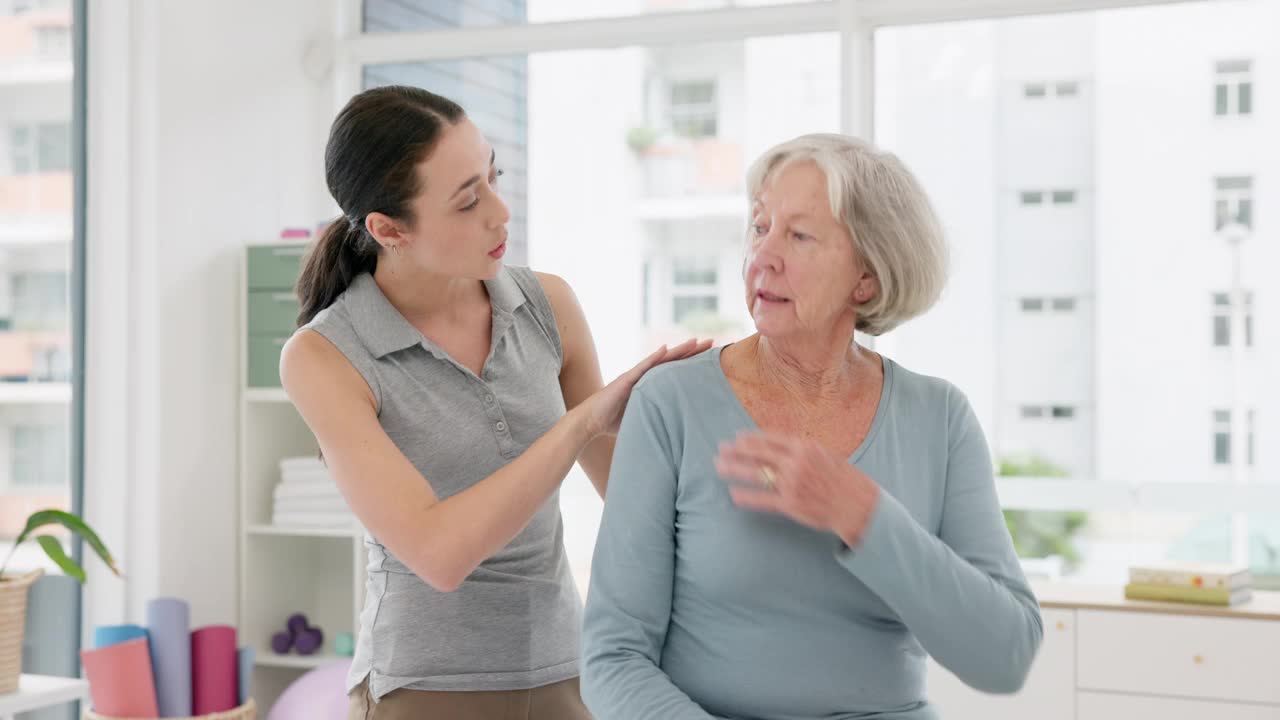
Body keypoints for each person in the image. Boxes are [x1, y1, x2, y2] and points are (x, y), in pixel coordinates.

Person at [279, 85, 709, 720]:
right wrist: (581, 423)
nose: (501, 213)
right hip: (424, 689)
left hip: (567, 672)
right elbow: (439, 554)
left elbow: (632, 496)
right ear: (389, 229)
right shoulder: (325, 356)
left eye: (493, 177)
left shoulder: (547, 305)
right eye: (467, 200)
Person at [581, 133, 1043, 720]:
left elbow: (1005, 655)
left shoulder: (939, 418)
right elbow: (612, 658)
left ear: (867, 279)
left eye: (798, 236)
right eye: (759, 227)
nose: (762, 256)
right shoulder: (671, 402)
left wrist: (863, 516)